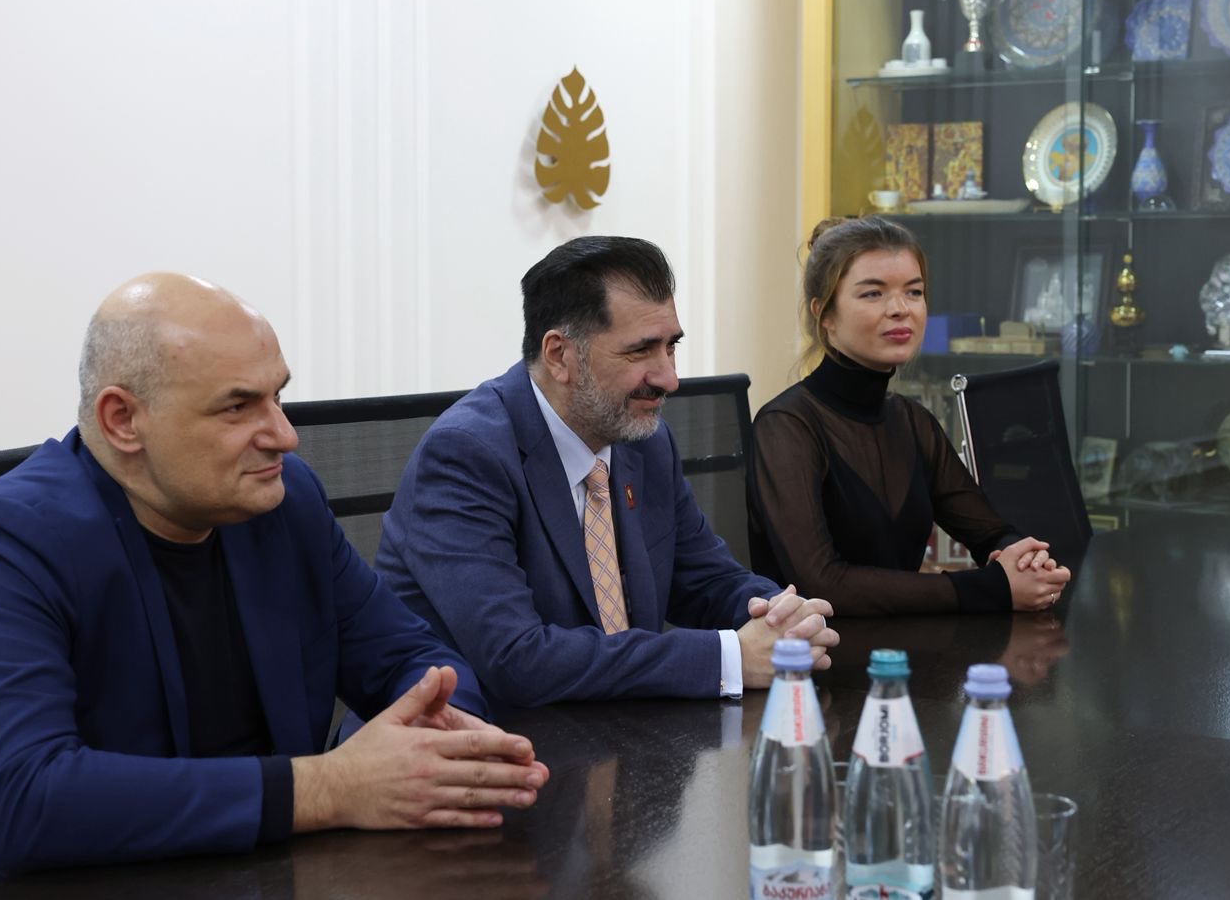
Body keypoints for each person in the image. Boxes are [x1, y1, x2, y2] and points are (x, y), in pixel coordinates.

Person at [0, 274, 549, 900]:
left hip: (233, 872)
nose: (285, 435)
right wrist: (333, 786)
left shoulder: (284, 503)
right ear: (123, 420)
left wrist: (440, 735)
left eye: (278, 396)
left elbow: (411, 659)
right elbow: (24, 802)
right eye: (238, 407)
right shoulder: (0, 545)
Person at [376, 236, 839, 708]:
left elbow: (705, 580)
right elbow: (517, 659)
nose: (669, 378)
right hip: (485, 735)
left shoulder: (645, 440)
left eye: (671, 347)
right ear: (559, 355)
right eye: (640, 351)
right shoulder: (466, 455)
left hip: (622, 726)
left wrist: (782, 617)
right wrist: (729, 658)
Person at [746, 216, 1071, 616]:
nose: (900, 309)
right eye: (873, 294)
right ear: (824, 314)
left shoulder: (912, 420)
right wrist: (992, 587)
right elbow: (822, 584)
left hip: (910, 642)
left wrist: (1026, 560)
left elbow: (989, 530)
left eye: (914, 292)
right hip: (817, 649)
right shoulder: (786, 426)